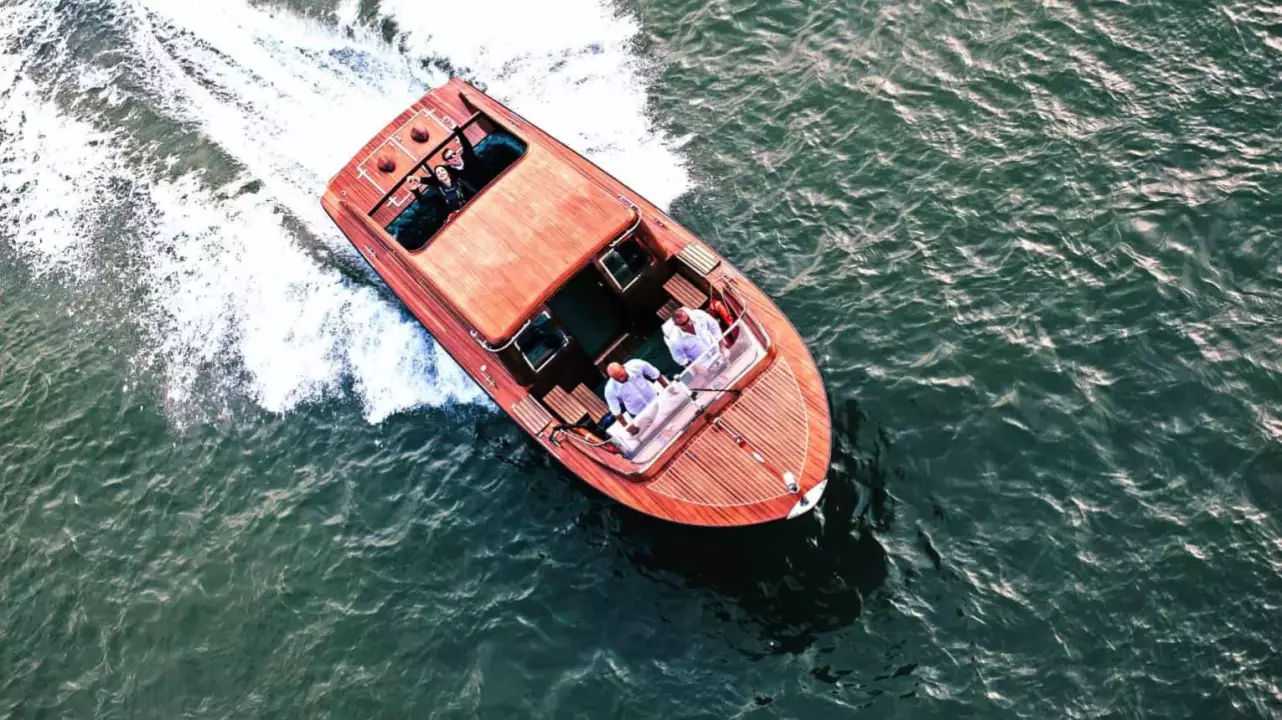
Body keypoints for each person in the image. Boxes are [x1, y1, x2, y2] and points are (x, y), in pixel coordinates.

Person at [603, 360, 668, 435]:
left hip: (655, 399)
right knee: (653, 434)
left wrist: (668, 389)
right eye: (617, 379)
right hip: (637, 413)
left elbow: (656, 375)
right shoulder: (609, 389)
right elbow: (616, 412)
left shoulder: (636, 364)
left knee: (668, 422)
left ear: (623, 367)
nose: (621, 379)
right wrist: (628, 427)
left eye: (621, 375)